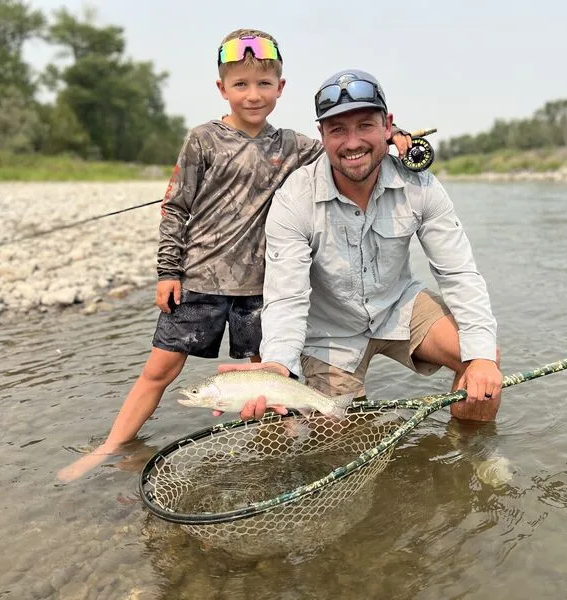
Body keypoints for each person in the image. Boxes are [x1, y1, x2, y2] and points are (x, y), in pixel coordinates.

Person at [57, 34, 411, 482]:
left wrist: (396, 135)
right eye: (240, 84)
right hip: (199, 282)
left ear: (281, 88)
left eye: (264, 83)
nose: (253, 94)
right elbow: (175, 207)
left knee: (265, 385)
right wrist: (169, 271)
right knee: (159, 371)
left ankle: (271, 461)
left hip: (259, 293)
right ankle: (110, 445)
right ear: (222, 88)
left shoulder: (297, 145)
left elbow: (353, 145)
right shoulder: (202, 140)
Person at [218, 69, 502, 423]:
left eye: (365, 126)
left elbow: (459, 273)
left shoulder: (421, 187)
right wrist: (278, 365)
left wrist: (482, 359)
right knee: (335, 434)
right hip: (329, 331)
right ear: (321, 135)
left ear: (388, 126)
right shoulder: (294, 198)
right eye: (338, 130)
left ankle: (468, 453)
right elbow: (286, 297)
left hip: (400, 306)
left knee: (481, 355)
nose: (352, 143)